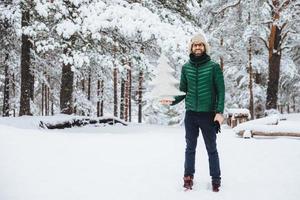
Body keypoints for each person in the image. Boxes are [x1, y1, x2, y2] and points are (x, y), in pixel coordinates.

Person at [160, 33, 225, 192]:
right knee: (190, 147)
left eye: (200, 45)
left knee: (211, 148)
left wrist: (219, 112)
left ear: (205, 47)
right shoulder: (186, 68)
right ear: (191, 47)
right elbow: (183, 91)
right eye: (195, 45)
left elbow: (221, 91)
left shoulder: (214, 67)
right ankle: (188, 177)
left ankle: (216, 179)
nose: (197, 47)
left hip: (208, 114)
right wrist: (171, 100)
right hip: (191, 115)